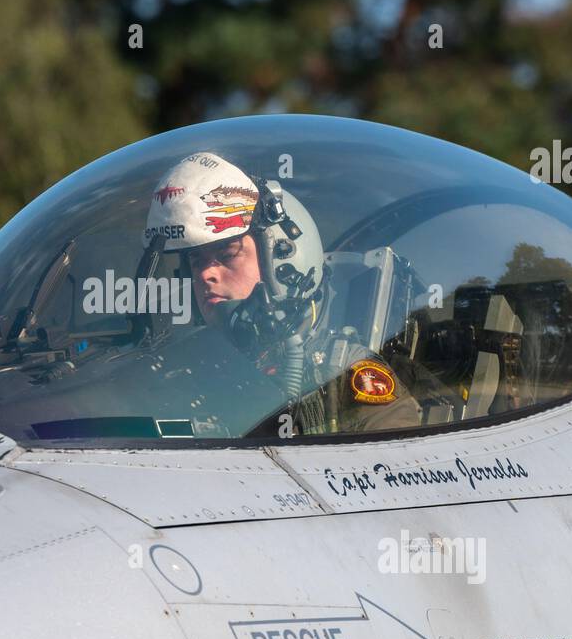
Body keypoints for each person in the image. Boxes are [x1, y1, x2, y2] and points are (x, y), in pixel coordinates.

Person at [143, 151, 421, 435]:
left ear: (284, 261)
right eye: (196, 261)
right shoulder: (189, 371)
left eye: (227, 255)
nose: (205, 274)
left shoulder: (344, 374)